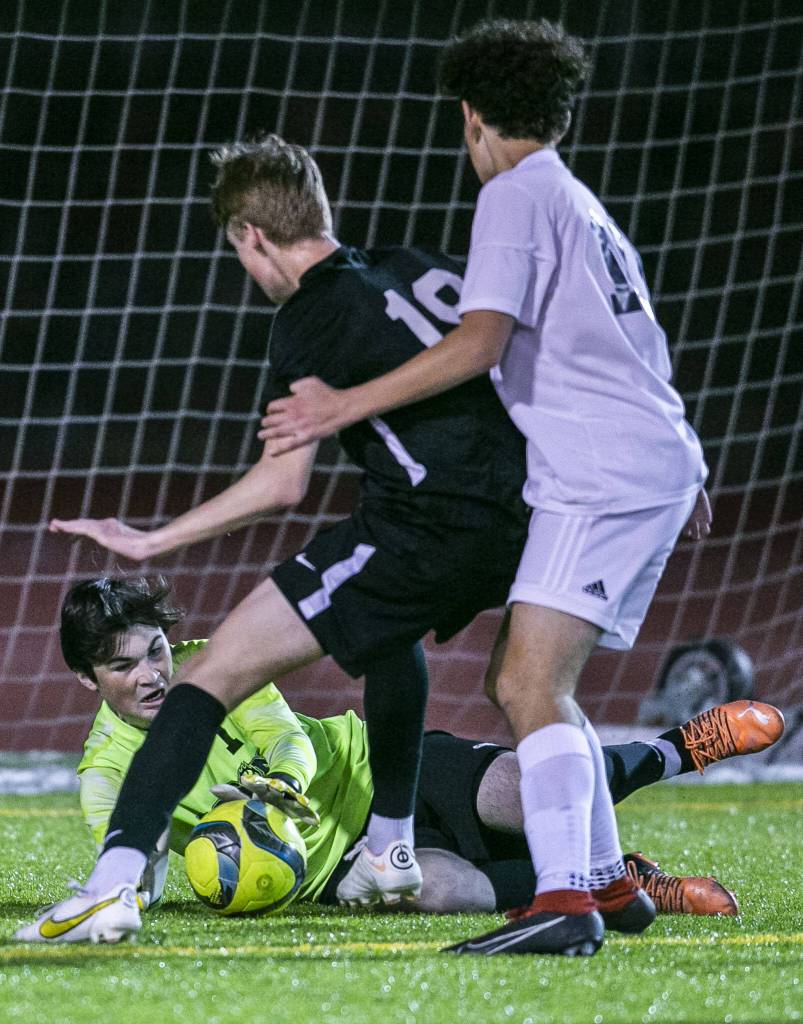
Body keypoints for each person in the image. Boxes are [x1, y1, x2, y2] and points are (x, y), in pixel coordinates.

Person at [15, 133, 549, 943]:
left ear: (250, 238)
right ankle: (409, 847)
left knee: (210, 673)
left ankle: (111, 886)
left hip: (428, 522)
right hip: (533, 509)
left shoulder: (307, 317)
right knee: (426, 648)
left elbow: (281, 483)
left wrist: (153, 541)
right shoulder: (417, 269)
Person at [260, 19, 713, 957]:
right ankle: (603, 881)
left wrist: (343, 404)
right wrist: (679, 450)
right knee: (530, 667)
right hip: (640, 457)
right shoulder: (576, 199)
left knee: (525, 680)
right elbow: (644, 344)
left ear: (470, 116)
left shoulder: (512, 195)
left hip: (600, 472)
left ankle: (563, 902)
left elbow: (477, 343)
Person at [17, 577, 779, 942]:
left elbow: (283, 736)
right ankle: (633, 877)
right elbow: (135, 855)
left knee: (520, 792)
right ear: (88, 680)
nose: (152, 675)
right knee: (449, 892)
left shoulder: (209, 665)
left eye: (153, 650)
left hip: (379, 773)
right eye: (124, 667)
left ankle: (679, 747)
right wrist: (128, 896)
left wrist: (281, 782)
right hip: (330, 868)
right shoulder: (102, 772)